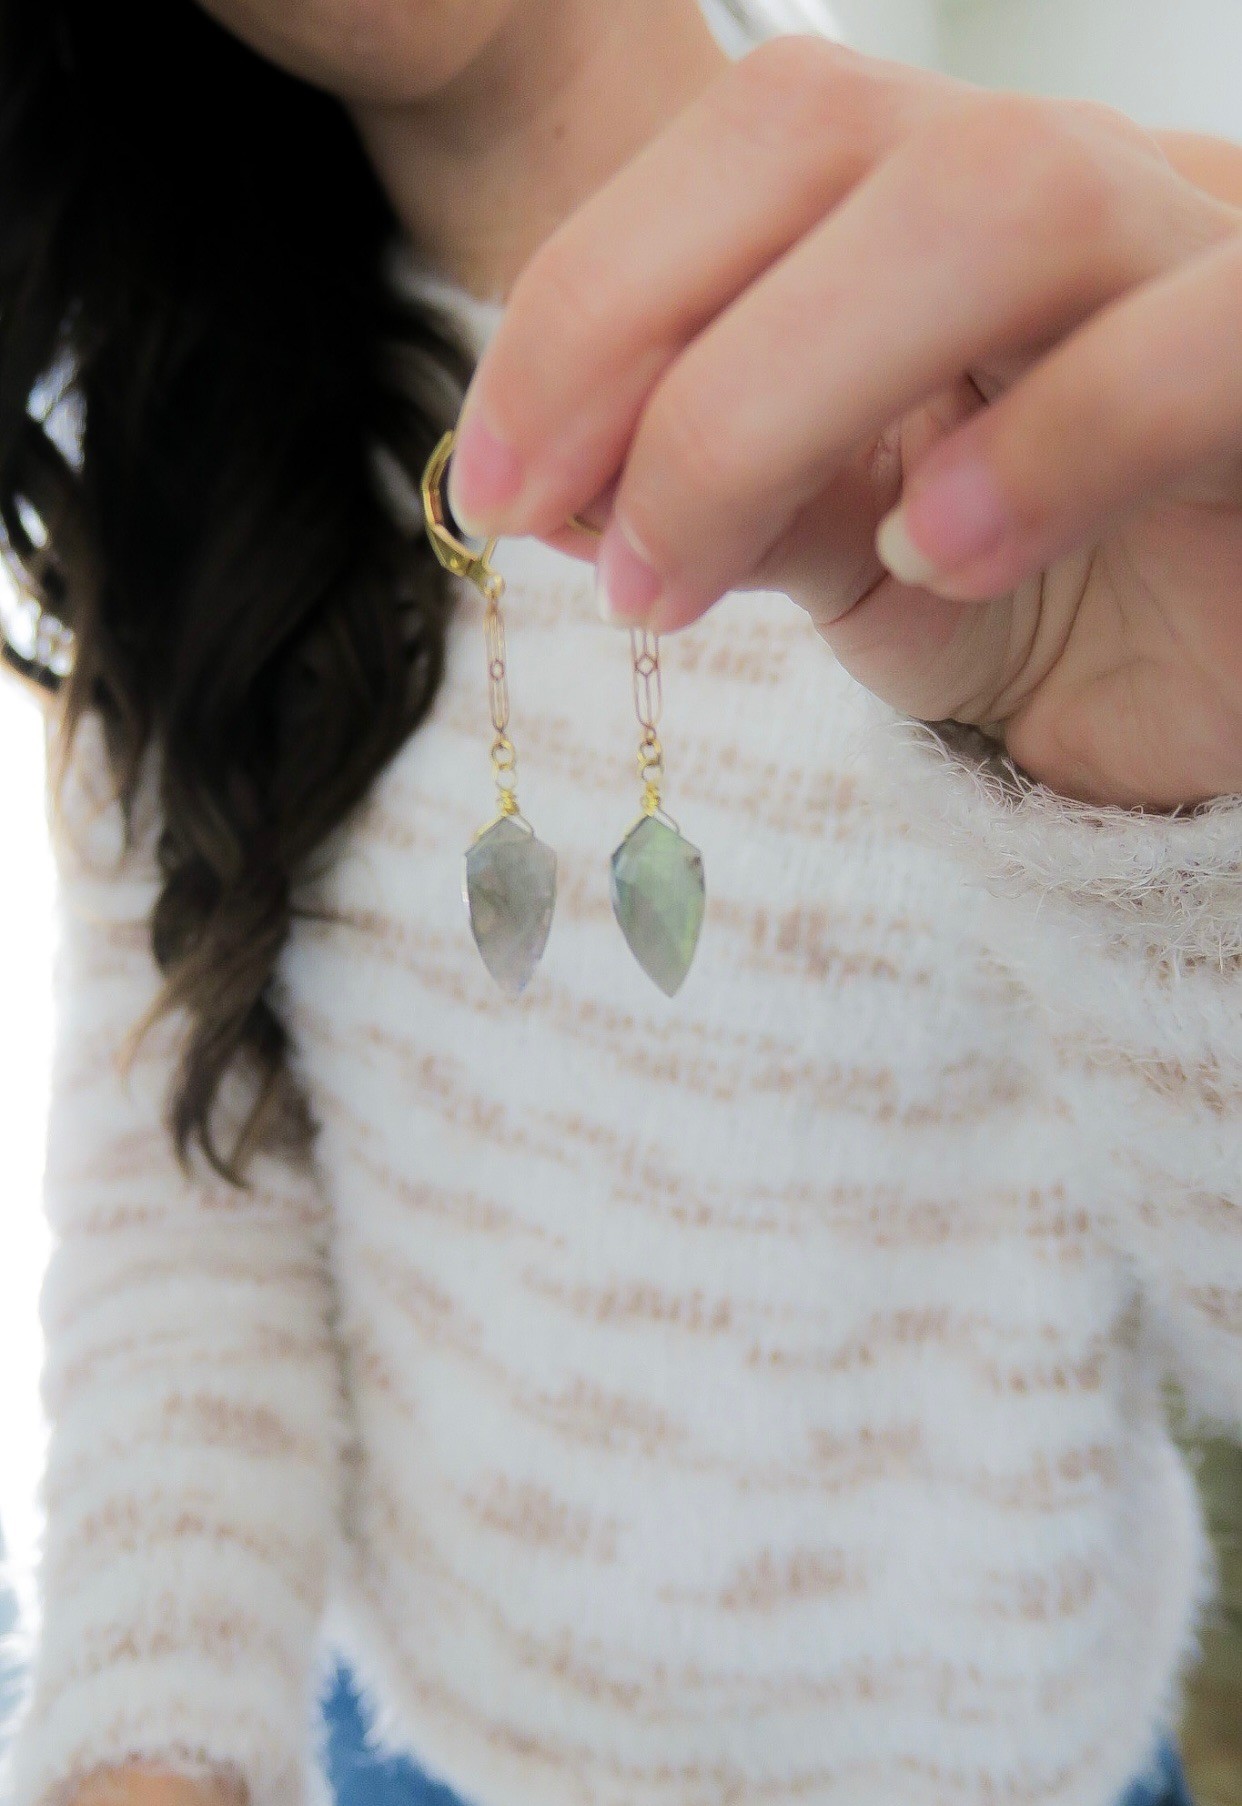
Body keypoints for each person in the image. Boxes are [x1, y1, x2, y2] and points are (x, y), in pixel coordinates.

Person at [0, 2, 1240, 1805]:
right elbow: (188, 1217)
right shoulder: (194, 477)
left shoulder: (1043, 350)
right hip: (427, 1751)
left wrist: (1174, 824)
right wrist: (144, 1750)